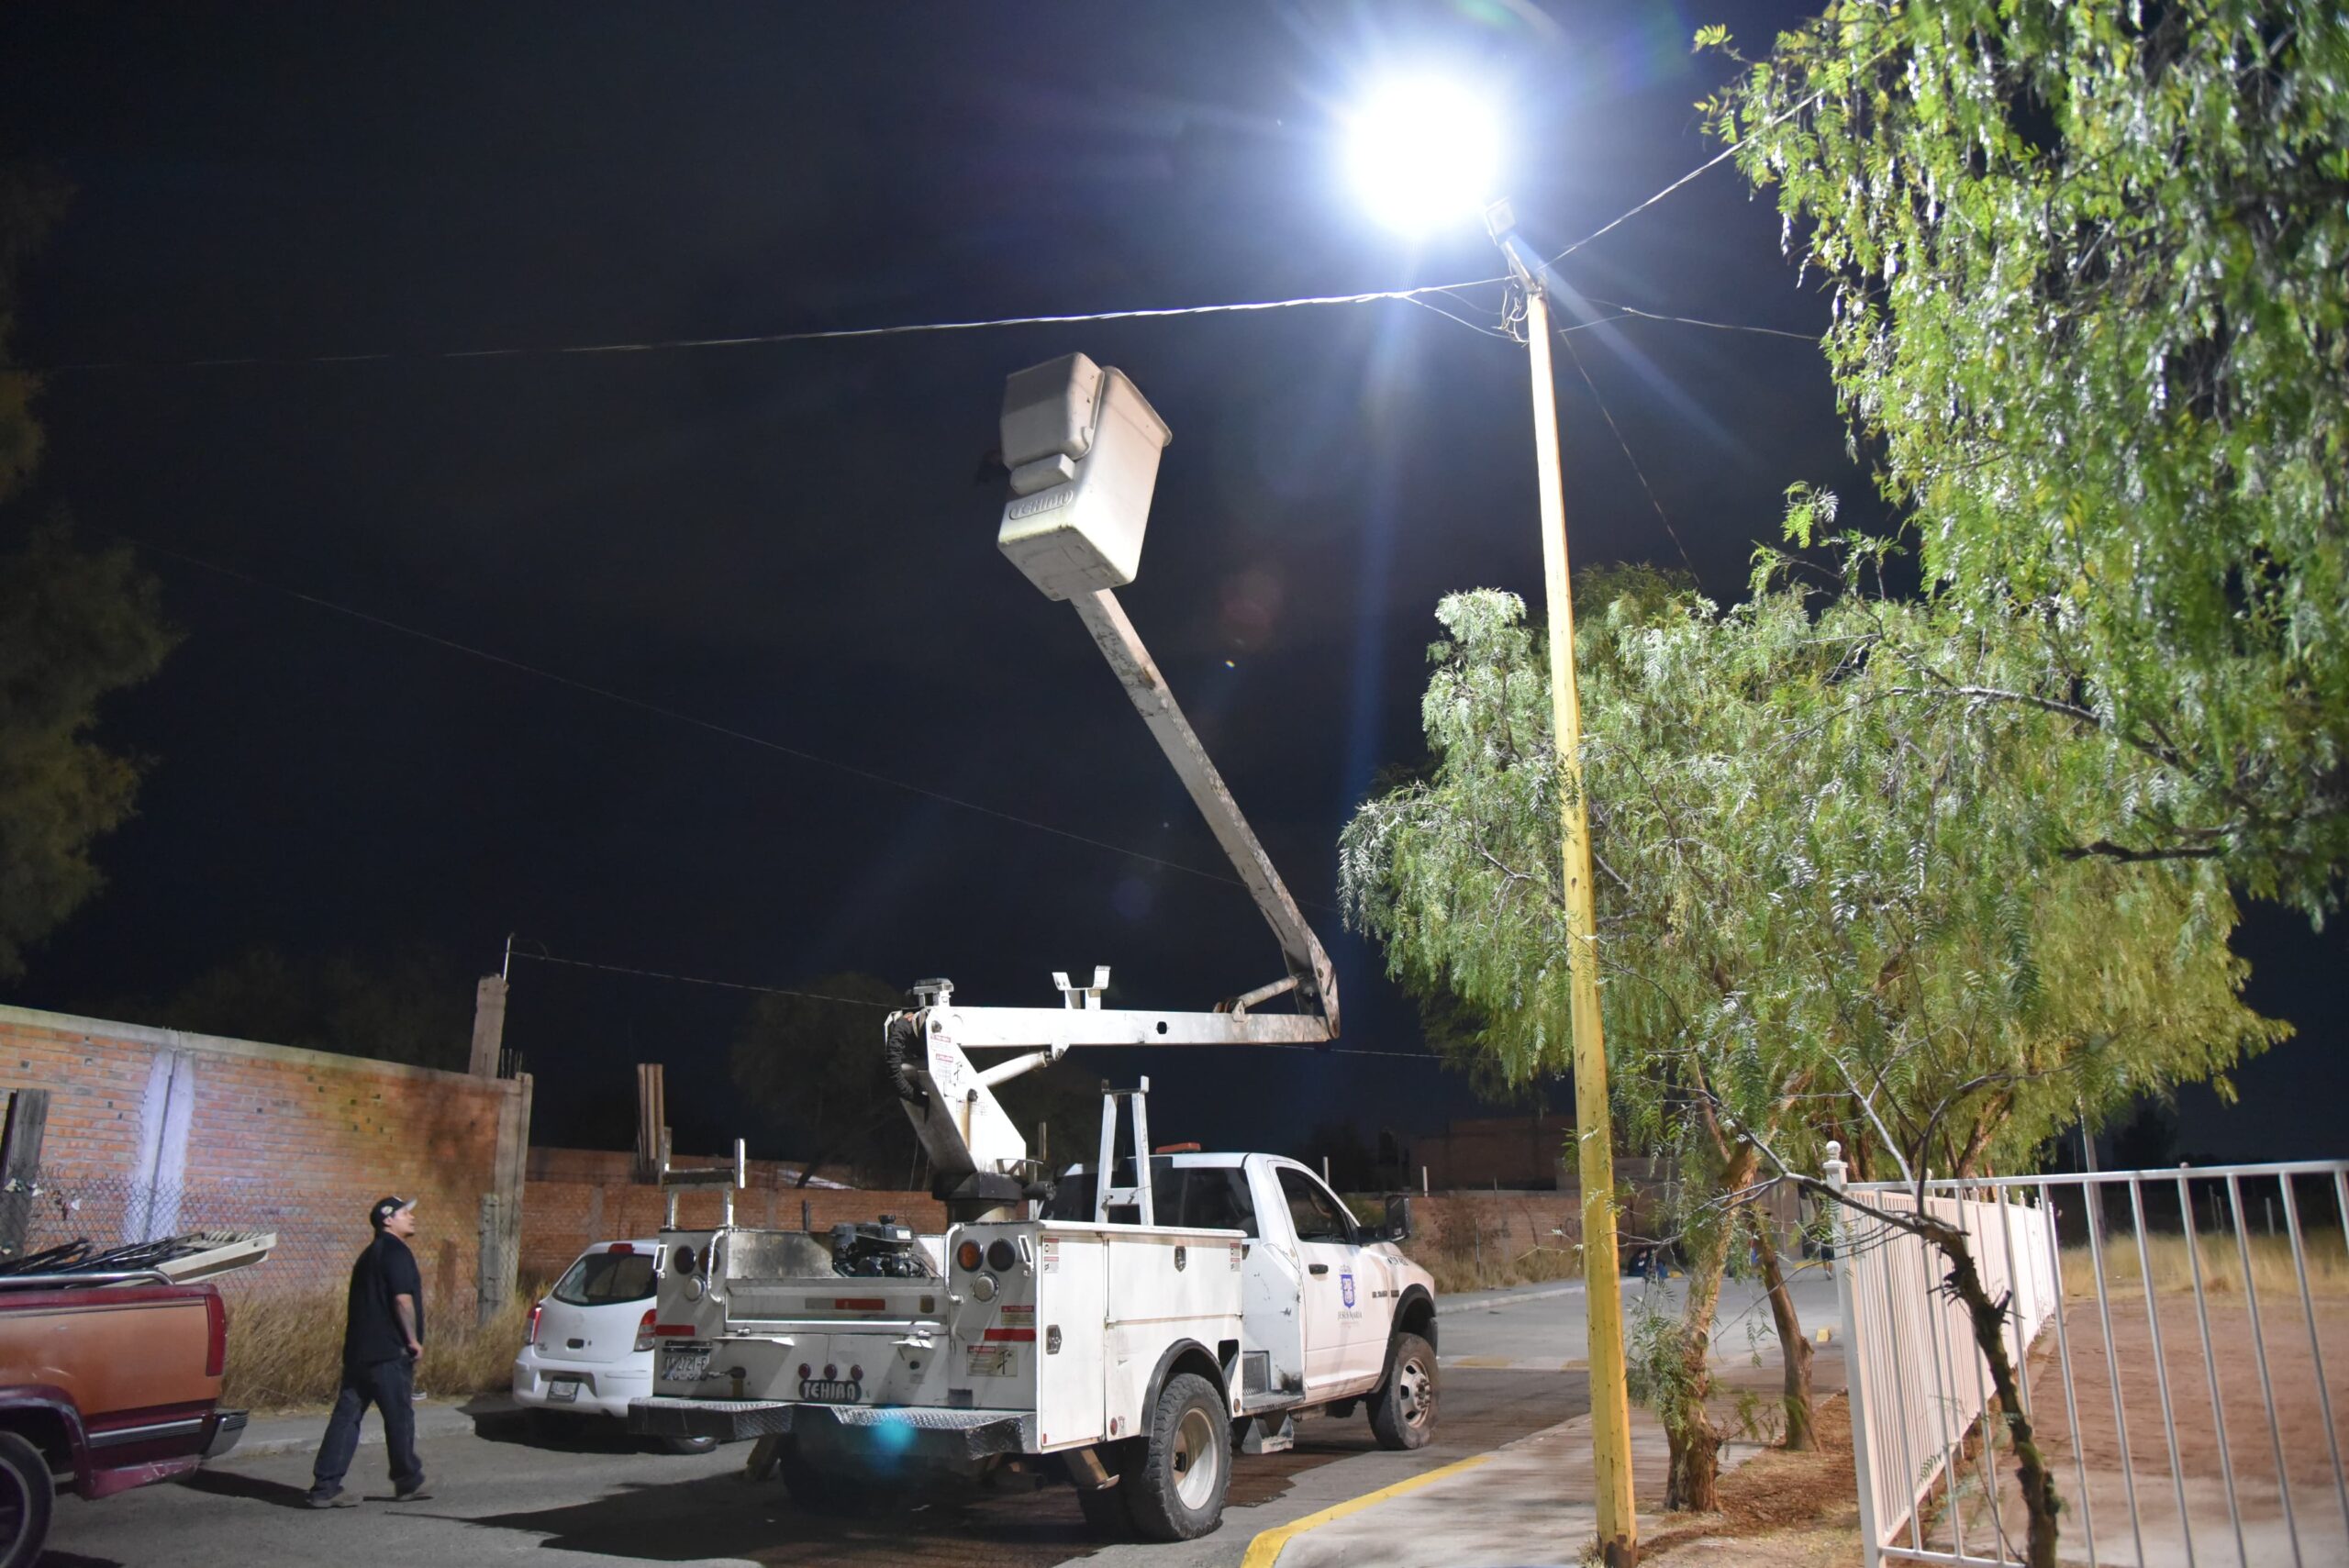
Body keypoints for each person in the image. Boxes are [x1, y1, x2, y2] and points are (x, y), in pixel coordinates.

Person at [306, 1195, 431, 1507]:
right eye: (405, 1213)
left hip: (359, 1353)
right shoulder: (397, 1252)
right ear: (388, 1220)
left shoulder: (367, 1256)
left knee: (347, 1417)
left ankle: (325, 1487)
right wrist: (413, 1340)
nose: (411, 1217)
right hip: (389, 1352)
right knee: (399, 1417)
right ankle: (407, 1480)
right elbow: (402, 1300)